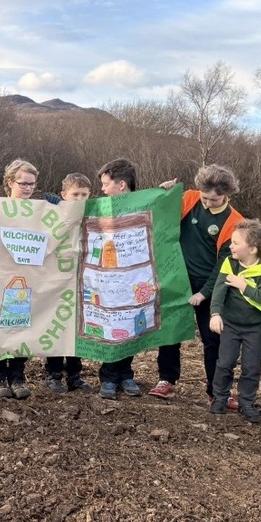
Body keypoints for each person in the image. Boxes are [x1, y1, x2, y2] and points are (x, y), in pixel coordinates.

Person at [150, 164, 244, 406]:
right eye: (205, 197)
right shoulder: (189, 198)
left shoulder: (235, 222)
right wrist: (165, 194)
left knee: (212, 337)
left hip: (208, 283)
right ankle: (167, 380)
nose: (207, 203)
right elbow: (160, 216)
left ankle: (217, 390)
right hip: (176, 277)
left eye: (214, 200)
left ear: (227, 195)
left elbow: (224, 265)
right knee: (170, 330)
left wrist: (205, 292)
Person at [0, 158, 44, 400]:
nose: (28, 188)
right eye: (23, 183)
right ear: (10, 182)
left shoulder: (43, 210)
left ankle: (18, 376)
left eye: (32, 184)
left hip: (26, 280)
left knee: (21, 325)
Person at [208, 219, 261, 424]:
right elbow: (219, 291)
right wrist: (215, 314)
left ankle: (247, 402)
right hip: (230, 324)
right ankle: (220, 398)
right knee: (225, 363)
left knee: (252, 367)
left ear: (253, 249)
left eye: (236, 243)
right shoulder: (230, 263)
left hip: (255, 328)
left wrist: (243, 285)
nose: (231, 246)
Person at [94, 158, 148, 400]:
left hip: (135, 278)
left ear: (122, 185)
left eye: (106, 184)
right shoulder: (101, 207)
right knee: (109, 325)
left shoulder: (145, 204)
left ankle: (126, 374)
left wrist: (167, 191)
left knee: (131, 324)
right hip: (107, 281)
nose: (103, 190)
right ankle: (107, 376)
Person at [43, 172, 93, 394]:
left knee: (76, 329)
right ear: (64, 195)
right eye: (75, 194)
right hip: (56, 279)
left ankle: (74, 374)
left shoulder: (92, 214)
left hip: (82, 280)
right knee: (56, 325)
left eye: (84, 194)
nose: (79, 199)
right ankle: (53, 374)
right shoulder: (53, 213)